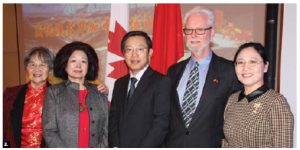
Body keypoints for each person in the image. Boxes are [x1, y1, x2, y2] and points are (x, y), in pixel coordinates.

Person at [165, 6, 242, 147]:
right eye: (189, 30)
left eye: (200, 30)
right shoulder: (173, 71)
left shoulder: (230, 71)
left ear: (212, 32)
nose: (193, 35)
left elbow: (238, 119)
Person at [222, 42, 294, 148]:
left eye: (253, 62)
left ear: (265, 66)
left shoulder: (276, 102)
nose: (246, 67)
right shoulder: (232, 99)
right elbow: (226, 142)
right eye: (240, 62)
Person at [109, 31, 171, 147]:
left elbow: (161, 123)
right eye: (129, 49)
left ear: (150, 52)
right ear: (124, 54)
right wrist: (115, 146)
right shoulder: (119, 84)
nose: (134, 55)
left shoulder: (161, 82)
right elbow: (113, 119)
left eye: (140, 49)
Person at [42, 41, 108, 148]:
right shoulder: (53, 93)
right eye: (73, 61)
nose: (78, 65)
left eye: (83, 61)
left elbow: (106, 130)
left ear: (89, 66)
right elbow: (49, 131)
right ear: (65, 65)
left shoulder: (99, 92)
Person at [3, 47, 54, 148]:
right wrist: (5, 147)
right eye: (32, 64)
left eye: (42, 65)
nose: (37, 69)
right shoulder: (10, 94)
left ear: (49, 68)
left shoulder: (58, 95)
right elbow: (4, 129)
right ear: (26, 67)